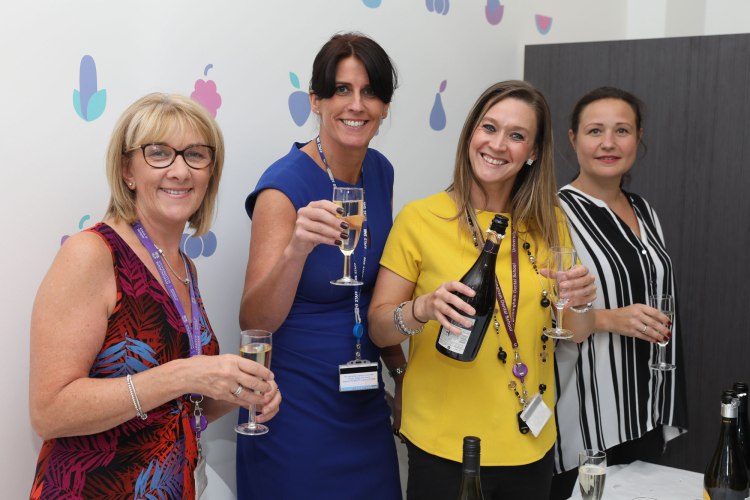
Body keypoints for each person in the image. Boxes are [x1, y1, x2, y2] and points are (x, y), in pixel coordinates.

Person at [29, 93, 281, 499]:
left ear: (210, 173)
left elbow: (180, 407)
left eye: (195, 155)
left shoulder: (184, 267)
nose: (180, 171)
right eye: (159, 153)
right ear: (127, 170)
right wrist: (184, 374)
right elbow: (50, 412)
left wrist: (238, 390)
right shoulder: (92, 253)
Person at [368, 80, 597, 499]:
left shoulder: (550, 223)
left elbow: (575, 333)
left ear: (533, 152)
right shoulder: (421, 218)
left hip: (530, 444)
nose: (497, 144)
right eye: (489, 128)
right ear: (471, 133)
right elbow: (380, 329)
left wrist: (580, 304)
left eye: (516, 135)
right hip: (442, 444)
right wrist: (421, 309)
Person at [237, 32, 403, 500]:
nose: (357, 105)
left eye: (370, 92)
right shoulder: (282, 187)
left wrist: (401, 374)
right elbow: (253, 321)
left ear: (385, 107)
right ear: (316, 100)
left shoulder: (380, 171)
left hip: (363, 401)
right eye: (342, 90)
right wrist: (296, 249)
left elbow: (376, 291)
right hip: (295, 409)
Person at [549, 87, 687, 500]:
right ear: (573, 138)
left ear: (638, 138)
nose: (608, 143)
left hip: (645, 409)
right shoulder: (553, 214)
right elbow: (540, 316)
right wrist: (609, 318)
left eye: (621, 130)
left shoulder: (645, 211)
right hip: (586, 418)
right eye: (595, 131)